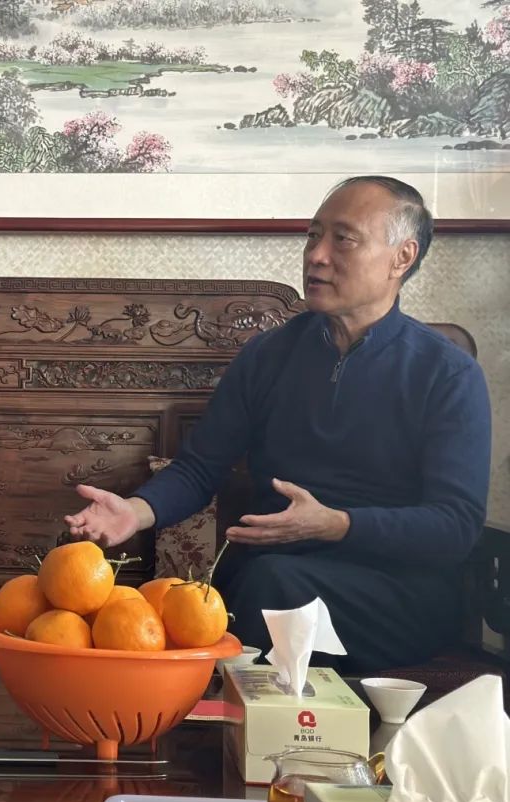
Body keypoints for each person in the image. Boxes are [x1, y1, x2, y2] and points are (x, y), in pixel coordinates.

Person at [64, 176, 491, 672]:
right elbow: (200, 468)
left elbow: (455, 525)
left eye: (343, 239)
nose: (317, 255)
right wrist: (135, 512)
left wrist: (337, 525)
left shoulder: (446, 372)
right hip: (271, 574)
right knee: (221, 592)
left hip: (392, 591)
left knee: (269, 587)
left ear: (402, 257)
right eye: (313, 236)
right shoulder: (269, 355)